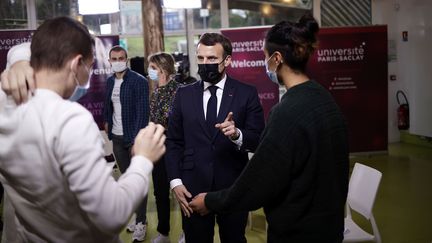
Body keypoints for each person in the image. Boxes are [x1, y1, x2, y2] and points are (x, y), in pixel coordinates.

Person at [0, 16, 166, 243]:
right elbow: (112, 215)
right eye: (89, 66)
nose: (89, 74)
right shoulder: (70, 120)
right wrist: (143, 160)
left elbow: (21, 50)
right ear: (76, 63)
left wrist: (18, 61)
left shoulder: (4, 103)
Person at [189, 14, 350, 243]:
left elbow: (258, 185)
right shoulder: (324, 99)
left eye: (265, 57)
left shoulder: (287, 113)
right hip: (329, 228)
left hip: (298, 232)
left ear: (276, 58)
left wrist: (210, 201)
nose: (265, 64)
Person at [166, 33, 265, 243]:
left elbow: (258, 139)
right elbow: (174, 141)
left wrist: (238, 135)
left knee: (234, 239)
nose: (205, 64)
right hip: (192, 186)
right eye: (200, 58)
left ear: (227, 60)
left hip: (232, 186)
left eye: (211, 59)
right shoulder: (184, 95)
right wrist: (175, 182)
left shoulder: (246, 93)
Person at [103, 45, 150, 242]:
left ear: (127, 59)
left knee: (138, 179)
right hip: (117, 137)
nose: (118, 61)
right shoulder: (109, 82)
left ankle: (141, 222)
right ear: (109, 61)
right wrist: (107, 122)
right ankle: (136, 216)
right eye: (114, 58)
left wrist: (136, 140)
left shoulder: (138, 81)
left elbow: (143, 112)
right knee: (126, 179)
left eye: (121, 57)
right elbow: (108, 105)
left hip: (132, 138)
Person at [147, 52, 180, 243]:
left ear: (163, 69)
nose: (149, 71)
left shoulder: (180, 90)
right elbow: (154, 120)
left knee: (181, 189)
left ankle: (186, 232)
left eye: (152, 67)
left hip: (176, 145)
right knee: (160, 191)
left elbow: (175, 121)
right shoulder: (156, 92)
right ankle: (163, 232)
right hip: (158, 145)